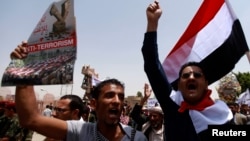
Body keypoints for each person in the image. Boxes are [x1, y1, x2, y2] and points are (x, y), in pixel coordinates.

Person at [12, 41, 147, 141]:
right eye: (109, 96)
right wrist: (23, 68)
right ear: (94, 104)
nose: (117, 101)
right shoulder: (80, 131)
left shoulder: (137, 138)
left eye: (121, 97)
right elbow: (30, 119)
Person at [141, 1, 233, 141]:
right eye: (185, 75)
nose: (191, 77)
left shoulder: (223, 115)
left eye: (197, 75)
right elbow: (152, 65)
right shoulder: (172, 105)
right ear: (178, 85)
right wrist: (152, 23)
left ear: (206, 83)